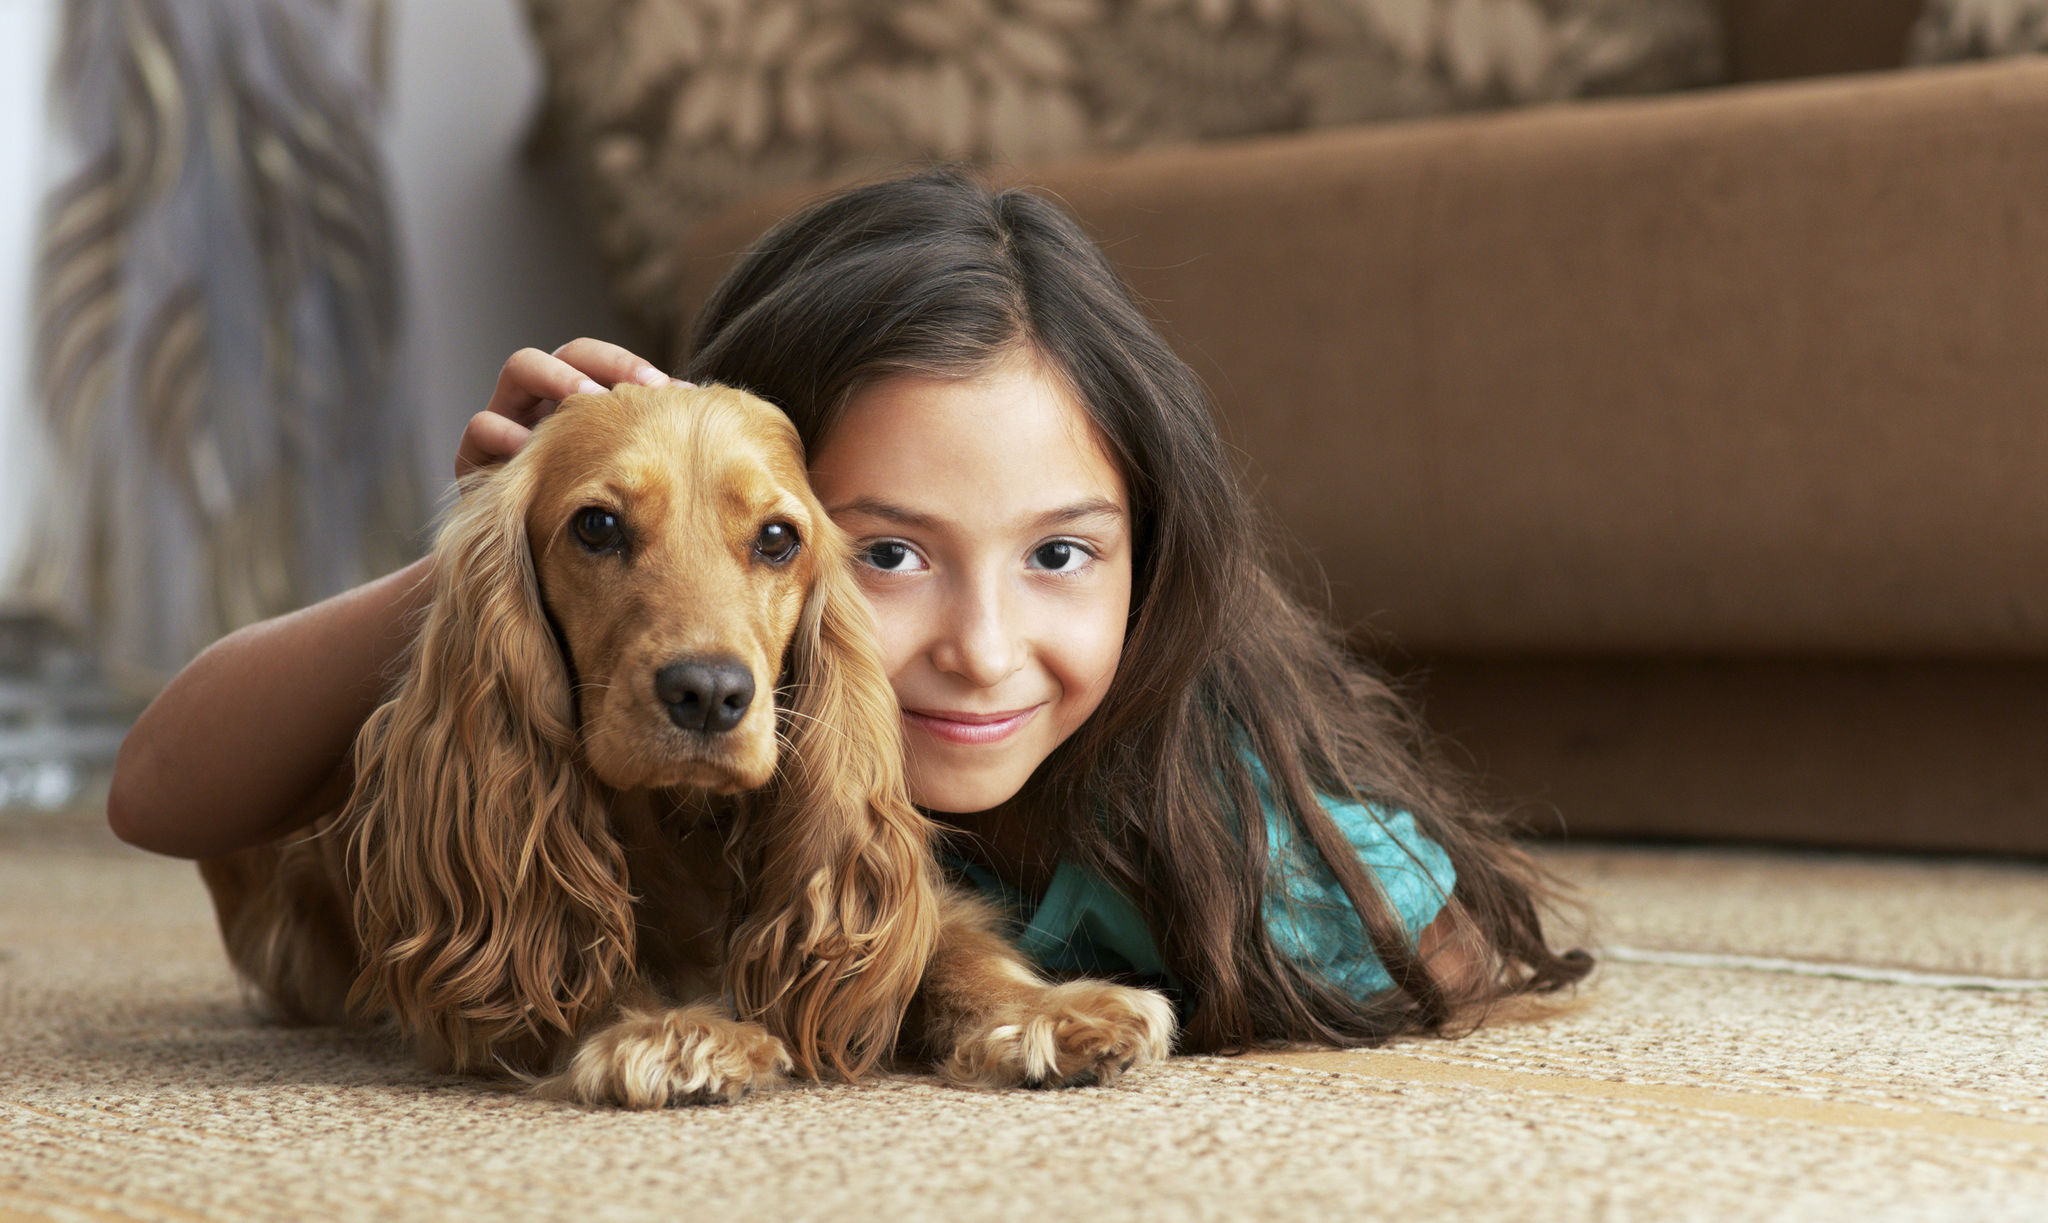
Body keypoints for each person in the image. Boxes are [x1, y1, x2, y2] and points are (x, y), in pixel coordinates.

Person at [109, 167, 1589, 1052]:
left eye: (1061, 556)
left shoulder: (1194, 794)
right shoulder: (614, 675)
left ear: (1154, 555)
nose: (983, 646)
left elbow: (1443, 948)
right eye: (884, 556)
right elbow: (161, 794)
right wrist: (514, 534)